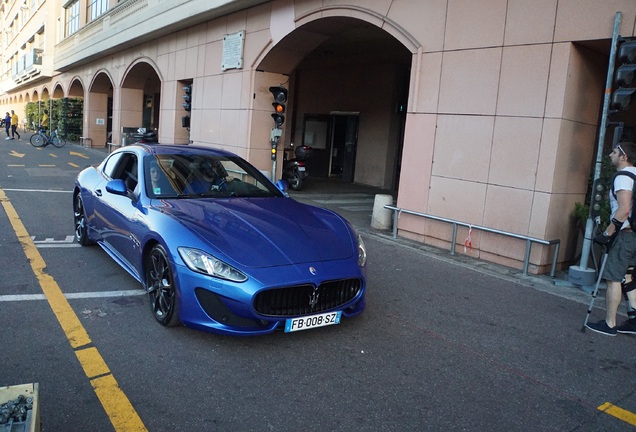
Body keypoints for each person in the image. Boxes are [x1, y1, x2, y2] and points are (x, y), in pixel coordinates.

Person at [587, 141, 636, 336]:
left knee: (613, 278)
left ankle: (609, 324)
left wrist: (608, 233)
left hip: (624, 235)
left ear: (623, 156)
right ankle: (634, 321)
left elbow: (624, 209)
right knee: (628, 276)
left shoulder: (623, 177)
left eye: (614, 152)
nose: (610, 155)